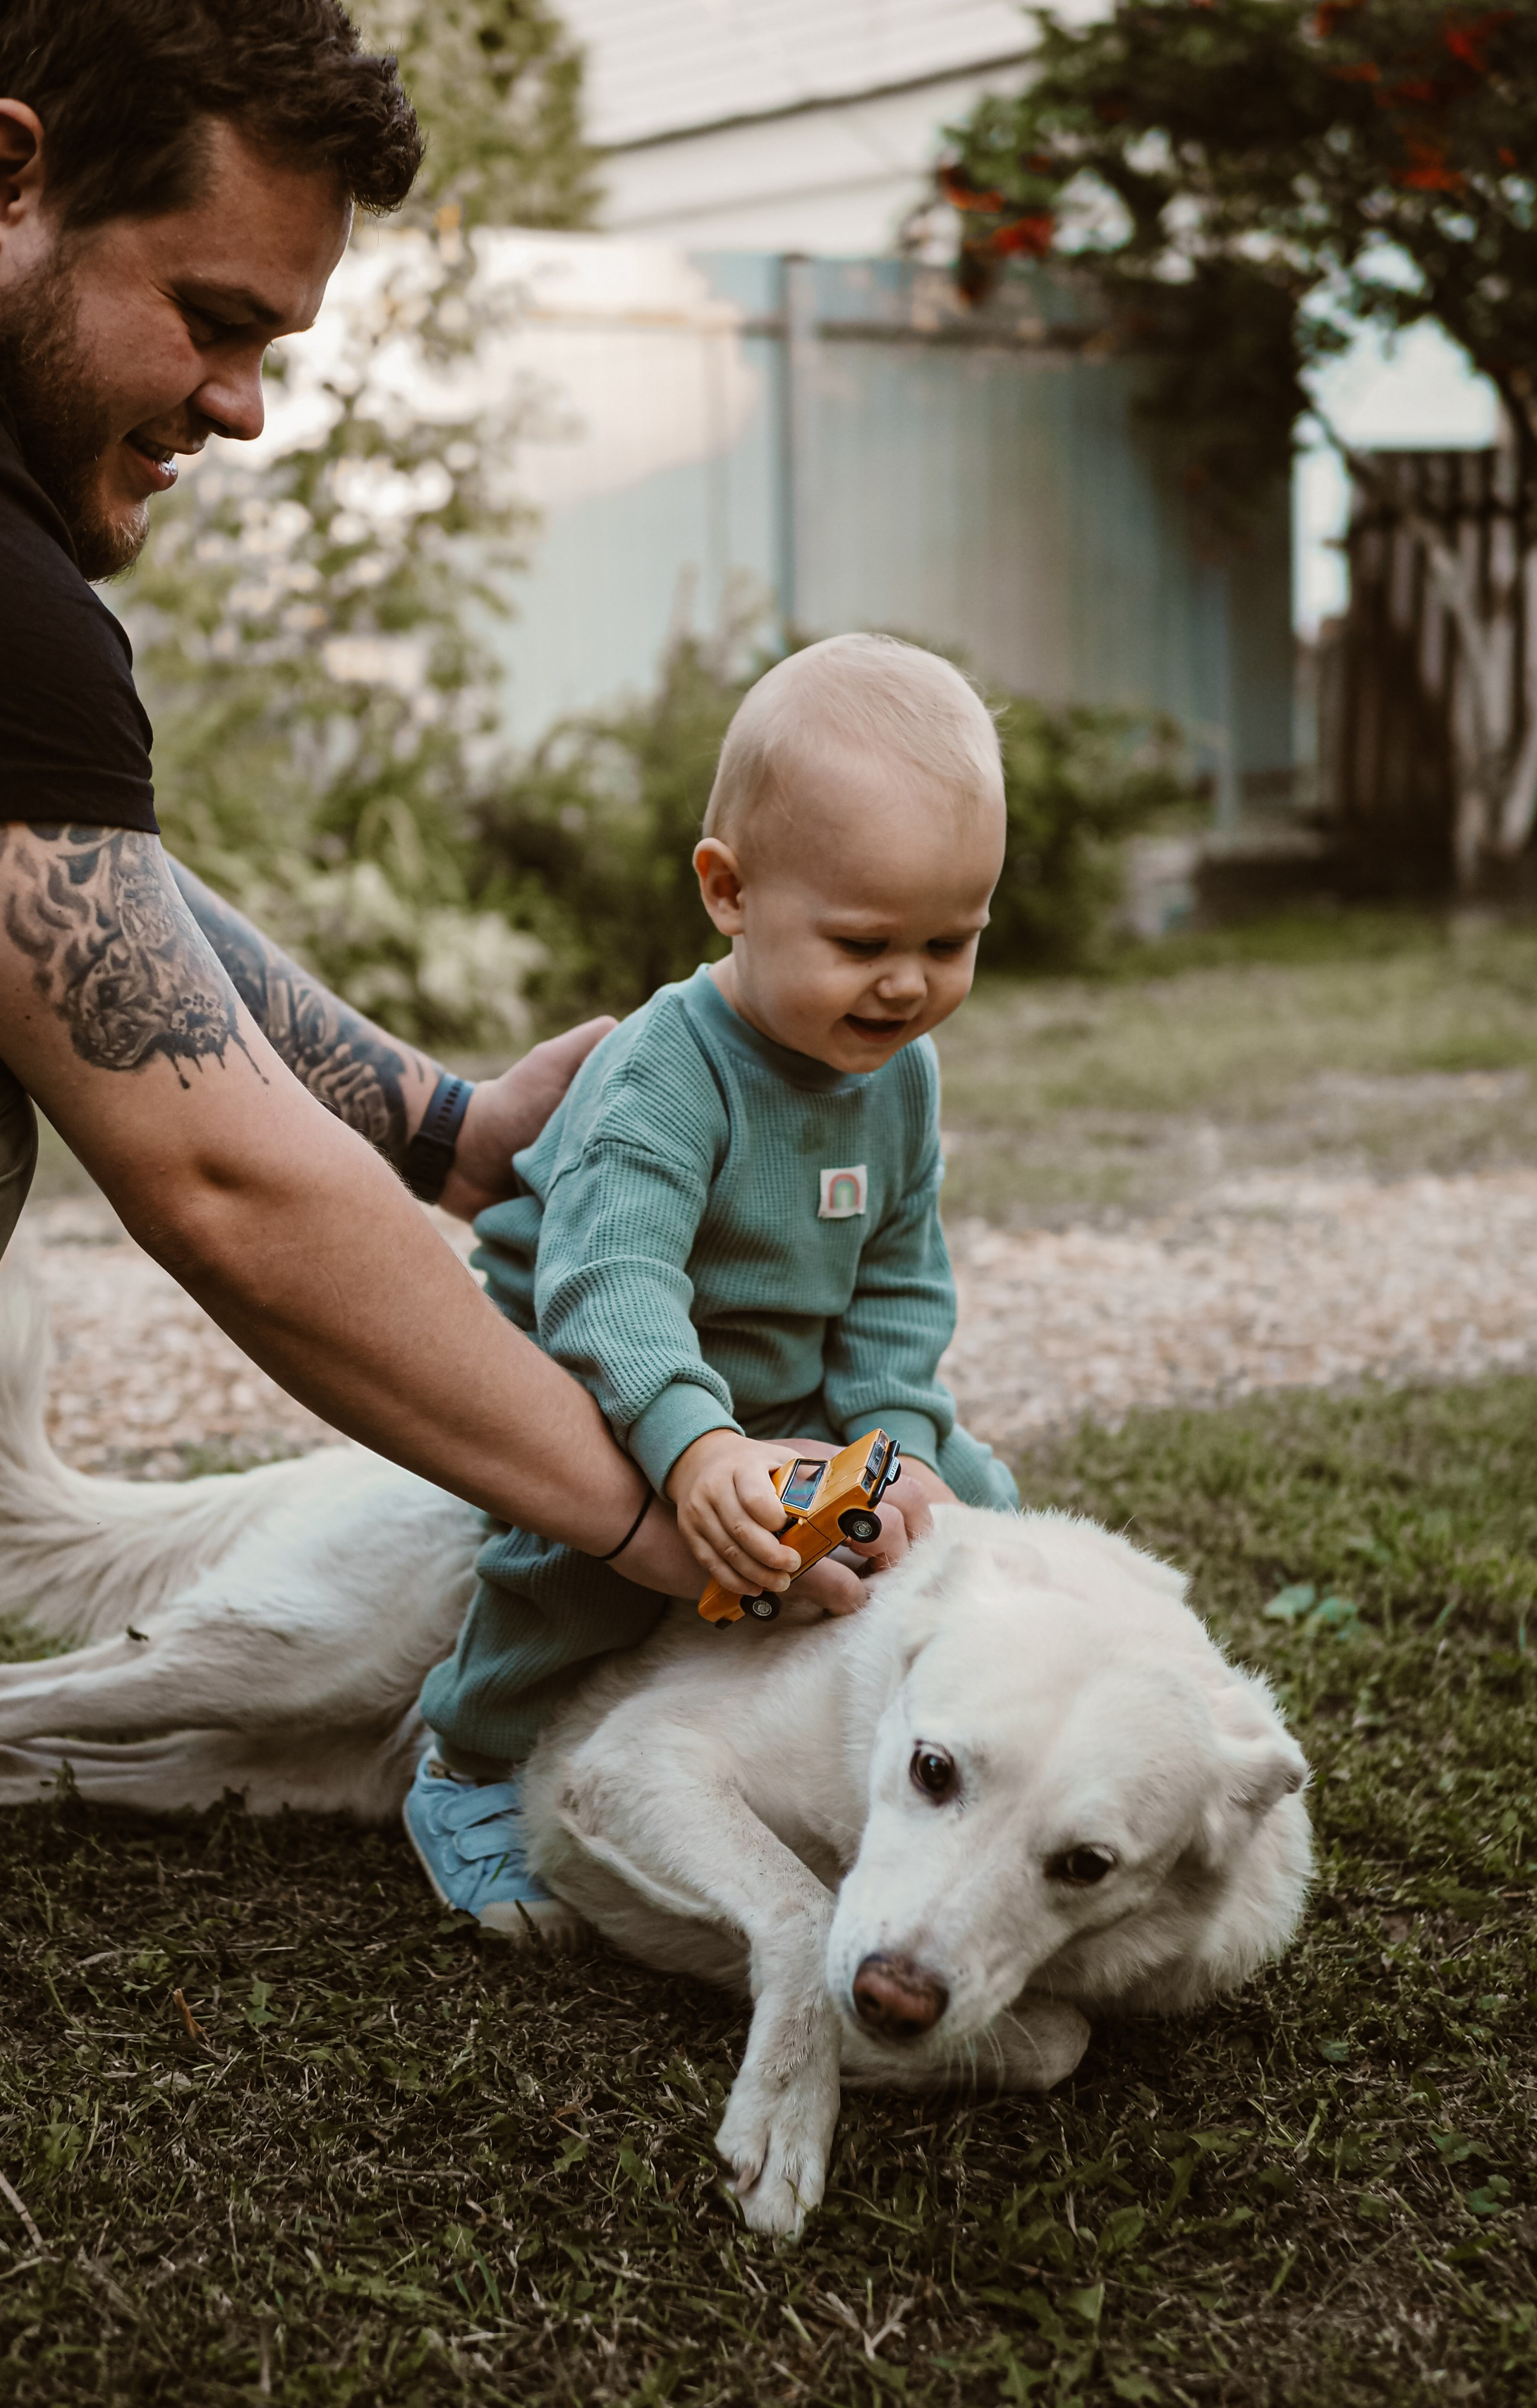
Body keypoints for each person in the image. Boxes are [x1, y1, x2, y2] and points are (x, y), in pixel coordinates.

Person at [0, 0, 913, 2105]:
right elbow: (216, 1181)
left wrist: (447, 1123)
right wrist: (668, 1522)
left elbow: (81, 894)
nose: (245, 404)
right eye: (214, 316)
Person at [403, 633, 1018, 1937]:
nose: (908, 982)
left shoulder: (898, 1075)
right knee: (581, 1561)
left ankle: (940, 1725)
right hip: (595, 1377)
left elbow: (899, 1283)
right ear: (730, 892)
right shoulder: (666, 1071)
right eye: (861, 940)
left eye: (951, 940)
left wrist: (895, 1443)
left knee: (985, 1497)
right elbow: (609, 1282)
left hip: (777, 1388)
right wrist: (693, 1452)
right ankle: (468, 1759)